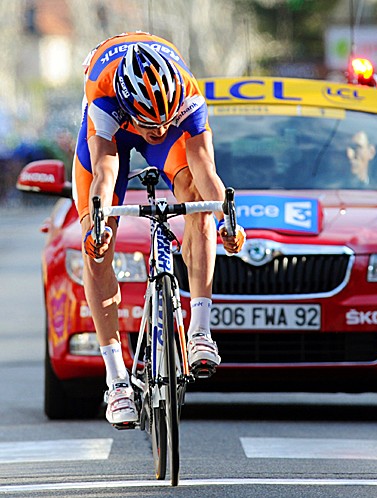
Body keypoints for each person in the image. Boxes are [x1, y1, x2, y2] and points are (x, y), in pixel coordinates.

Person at [73, 32, 246, 426]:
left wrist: (228, 221)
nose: (159, 129)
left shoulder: (187, 96)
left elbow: (205, 166)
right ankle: (116, 379)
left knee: (195, 194)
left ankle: (200, 330)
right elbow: (104, 170)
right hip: (113, 134)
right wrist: (98, 220)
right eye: (151, 124)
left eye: (165, 122)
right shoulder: (103, 98)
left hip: (160, 109)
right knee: (96, 243)